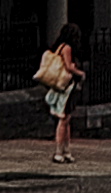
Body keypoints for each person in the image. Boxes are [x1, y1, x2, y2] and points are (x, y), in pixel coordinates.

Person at [33, 23, 85, 159]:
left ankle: (66, 150)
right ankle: (59, 151)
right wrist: (80, 72)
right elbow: (68, 66)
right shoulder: (67, 48)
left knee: (66, 119)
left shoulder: (59, 46)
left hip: (62, 86)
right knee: (63, 119)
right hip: (65, 86)